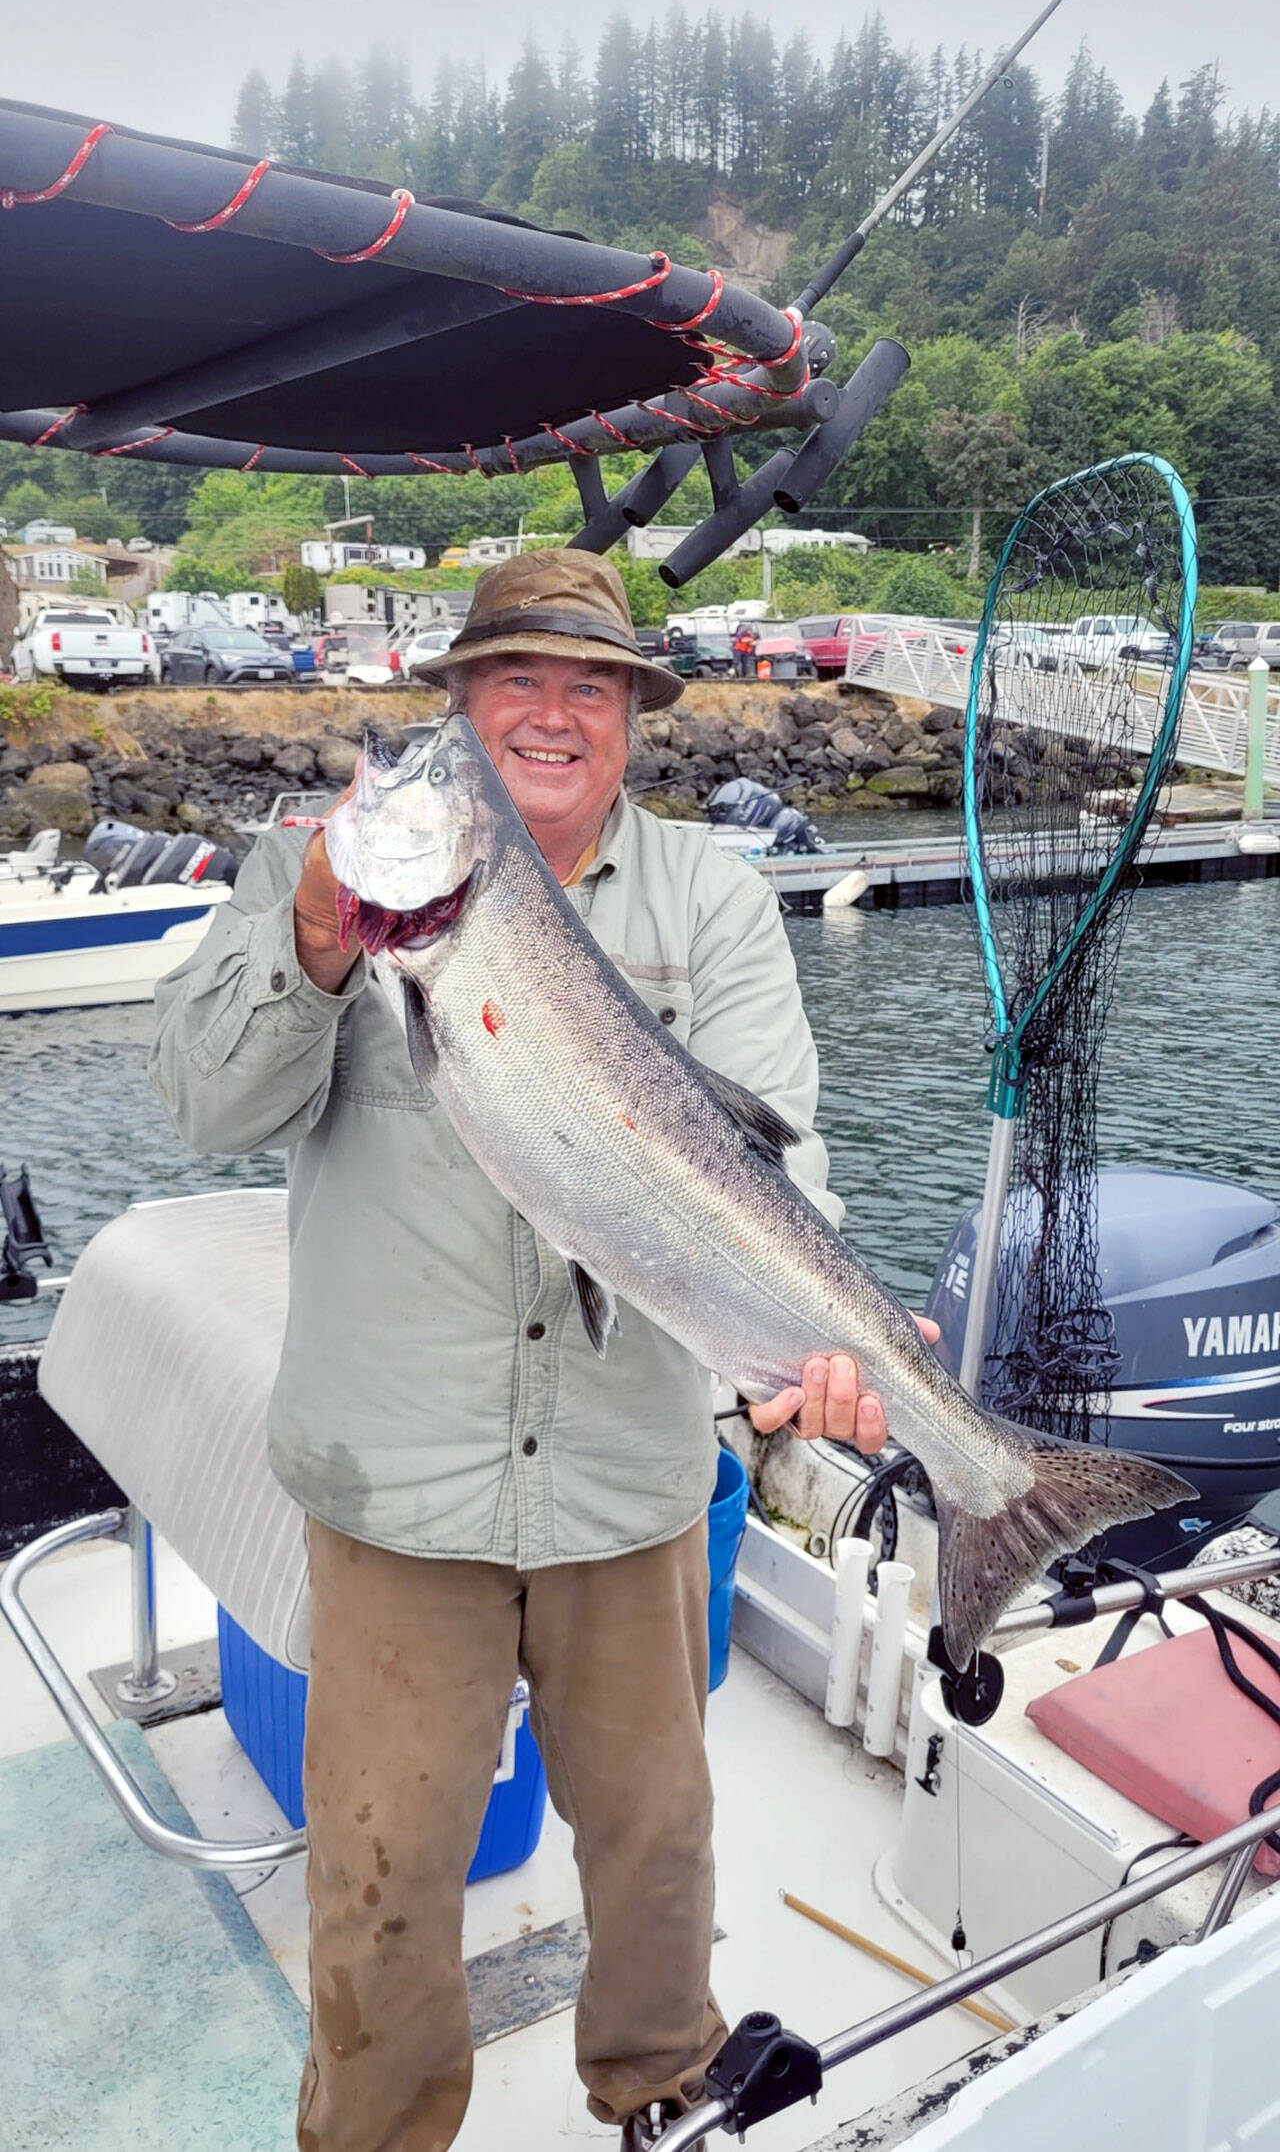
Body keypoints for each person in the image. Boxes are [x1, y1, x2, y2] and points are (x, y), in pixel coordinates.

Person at [151, 549, 924, 2152]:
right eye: (515, 680)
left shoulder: (710, 890)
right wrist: (313, 938)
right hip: (400, 1481)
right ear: (459, 702)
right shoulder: (322, 874)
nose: (552, 716)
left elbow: (779, 1163)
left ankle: (658, 2084)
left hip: (629, 1474)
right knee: (379, 1874)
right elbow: (208, 1105)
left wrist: (817, 1340)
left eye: (592, 686)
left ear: (635, 720)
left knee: (655, 1841)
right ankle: (373, 2134)